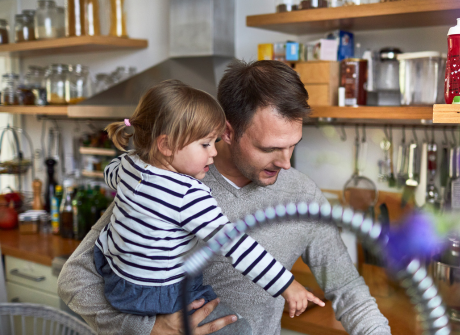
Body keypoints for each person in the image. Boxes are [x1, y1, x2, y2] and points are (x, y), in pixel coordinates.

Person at [58, 60, 392, 335]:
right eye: (270, 148)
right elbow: (75, 280)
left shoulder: (302, 194)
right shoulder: (168, 181)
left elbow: (347, 289)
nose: (286, 163)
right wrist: (150, 328)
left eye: (293, 145)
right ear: (227, 132)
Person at [93, 79, 323, 332]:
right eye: (205, 144)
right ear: (166, 145)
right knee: (240, 330)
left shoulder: (128, 165)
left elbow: (109, 173)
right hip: (160, 293)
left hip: (116, 281)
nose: (213, 153)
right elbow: (236, 245)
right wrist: (287, 285)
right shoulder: (188, 194)